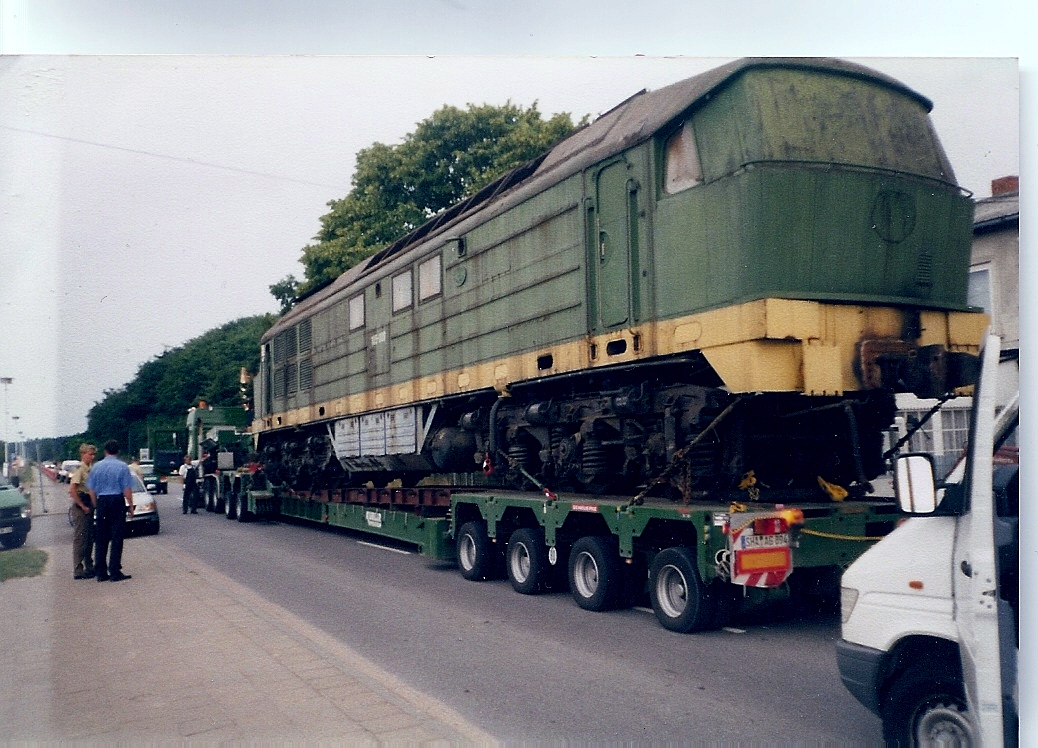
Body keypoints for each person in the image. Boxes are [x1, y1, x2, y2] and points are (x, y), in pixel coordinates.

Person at [86, 439, 135, 582]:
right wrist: (130, 505)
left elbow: (91, 490)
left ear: (105, 451)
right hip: (116, 500)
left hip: (102, 501)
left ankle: (100, 571)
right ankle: (114, 570)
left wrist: (96, 504)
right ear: (118, 451)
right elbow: (127, 488)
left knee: (101, 536)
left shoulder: (96, 467)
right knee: (117, 536)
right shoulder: (122, 466)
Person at [67, 443, 97, 579]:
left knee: (89, 538)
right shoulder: (80, 470)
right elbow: (72, 489)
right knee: (80, 538)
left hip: (88, 505)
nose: (92, 456)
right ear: (83, 454)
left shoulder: (89, 469)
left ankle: (89, 566)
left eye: (93, 454)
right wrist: (82, 505)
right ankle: (78, 569)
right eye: (90, 454)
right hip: (81, 506)